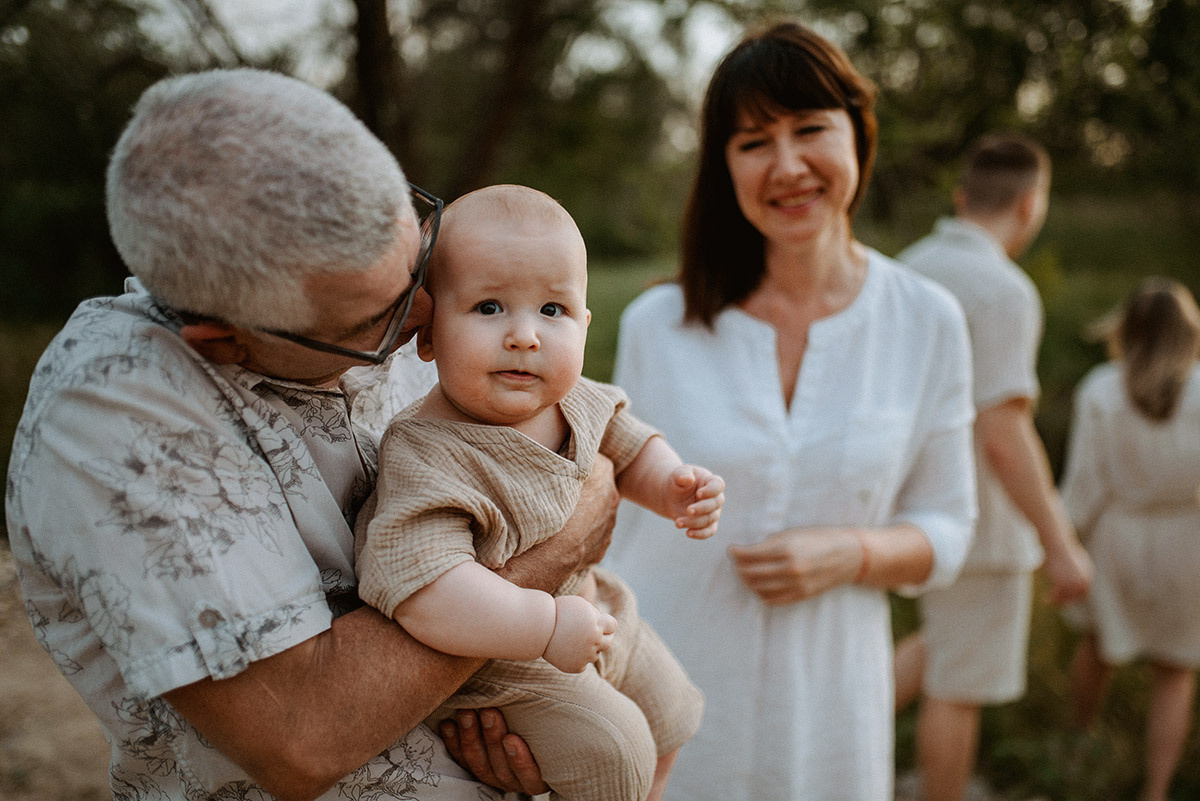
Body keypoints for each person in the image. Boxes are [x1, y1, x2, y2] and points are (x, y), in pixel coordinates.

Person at [4, 68, 621, 801]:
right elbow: (303, 734)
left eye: (420, 259)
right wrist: (556, 553)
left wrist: (548, 724)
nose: (430, 313)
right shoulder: (115, 415)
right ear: (224, 340)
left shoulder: (375, 288)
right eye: (379, 321)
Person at [601, 21, 977, 801]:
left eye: (809, 129)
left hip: (831, 703)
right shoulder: (658, 325)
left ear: (858, 134)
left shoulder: (928, 320)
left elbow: (949, 524)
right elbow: (608, 517)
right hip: (666, 687)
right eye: (753, 142)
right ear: (723, 164)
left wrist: (853, 552)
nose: (787, 165)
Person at [355, 184, 720, 801]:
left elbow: (627, 442)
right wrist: (544, 625)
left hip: (591, 609)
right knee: (617, 751)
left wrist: (673, 484)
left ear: (583, 325)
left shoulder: (570, 398)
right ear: (428, 334)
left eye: (552, 310)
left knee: (673, 713)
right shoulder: (429, 452)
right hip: (498, 662)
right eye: (489, 307)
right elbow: (426, 589)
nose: (525, 335)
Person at [890, 133, 1093, 800]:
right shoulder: (1004, 290)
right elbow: (1003, 432)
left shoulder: (903, 269)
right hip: (977, 519)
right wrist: (1060, 543)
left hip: (908, 507)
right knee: (961, 688)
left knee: (943, 647)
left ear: (961, 198)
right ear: (1030, 204)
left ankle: (824, 753)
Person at [1061, 278, 1200, 801]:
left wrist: (1062, 540)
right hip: (1187, 540)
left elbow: (1085, 482)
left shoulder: (1100, 388)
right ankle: (1155, 790)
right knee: (1175, 669)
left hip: (1117, 537)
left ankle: (1075, 752)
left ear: (1128, 329)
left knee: (1098, 646)